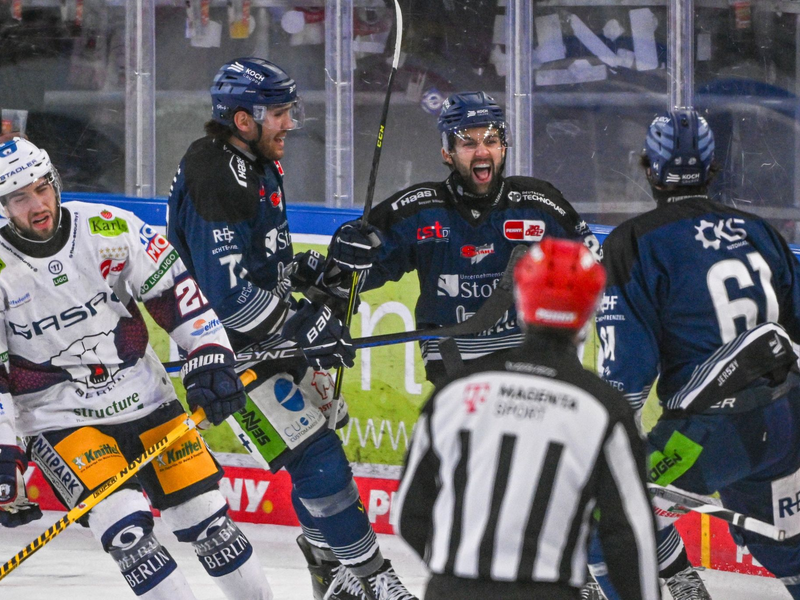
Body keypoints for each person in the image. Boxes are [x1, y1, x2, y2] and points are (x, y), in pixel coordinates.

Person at [166, 57, 417, 600]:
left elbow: (261, 257)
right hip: (228, 351)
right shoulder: (215, 176)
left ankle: (329, 560)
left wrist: (315, 268)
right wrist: (307, 322)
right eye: (279, 112)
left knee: (321, 442)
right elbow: (229, 301)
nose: (292, 123)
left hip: (270, 340)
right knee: (315, 455)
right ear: (243, 119)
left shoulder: (252, 161)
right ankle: (373, 581)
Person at [0, 137, 272, 599]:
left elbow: (178, 295)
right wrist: (5, 456)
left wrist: (209, 357)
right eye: (19, 197)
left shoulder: (108, 228)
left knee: (209, 522)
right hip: (58, 418)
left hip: (146, 399)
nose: (38, 204)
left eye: (42, 188)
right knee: (127, 531)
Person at [594, 109, 800, 600]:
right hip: (787, 420)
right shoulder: (760, 230)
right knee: (789, 554)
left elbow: (623, 377)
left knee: (602, 519)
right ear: (713, 169)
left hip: (711, 434)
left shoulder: (633, 242)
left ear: (647, 167)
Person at [395, 237, 660, 600]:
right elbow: (629, 534)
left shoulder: (455, 391)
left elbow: (408, 513)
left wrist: (458, 570)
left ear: (521, 302)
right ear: (590, 311)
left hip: (452, 589)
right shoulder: (603, 408)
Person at [324, 90, 602, 386]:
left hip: (531, 354)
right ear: (447, 152)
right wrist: (345, 252)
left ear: (504, 147)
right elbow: (350, 274)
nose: (482, 152)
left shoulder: (538, 202)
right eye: (468, 143)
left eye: (491, 141)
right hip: (455, 359)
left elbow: (595, 268)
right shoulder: (419, 209)